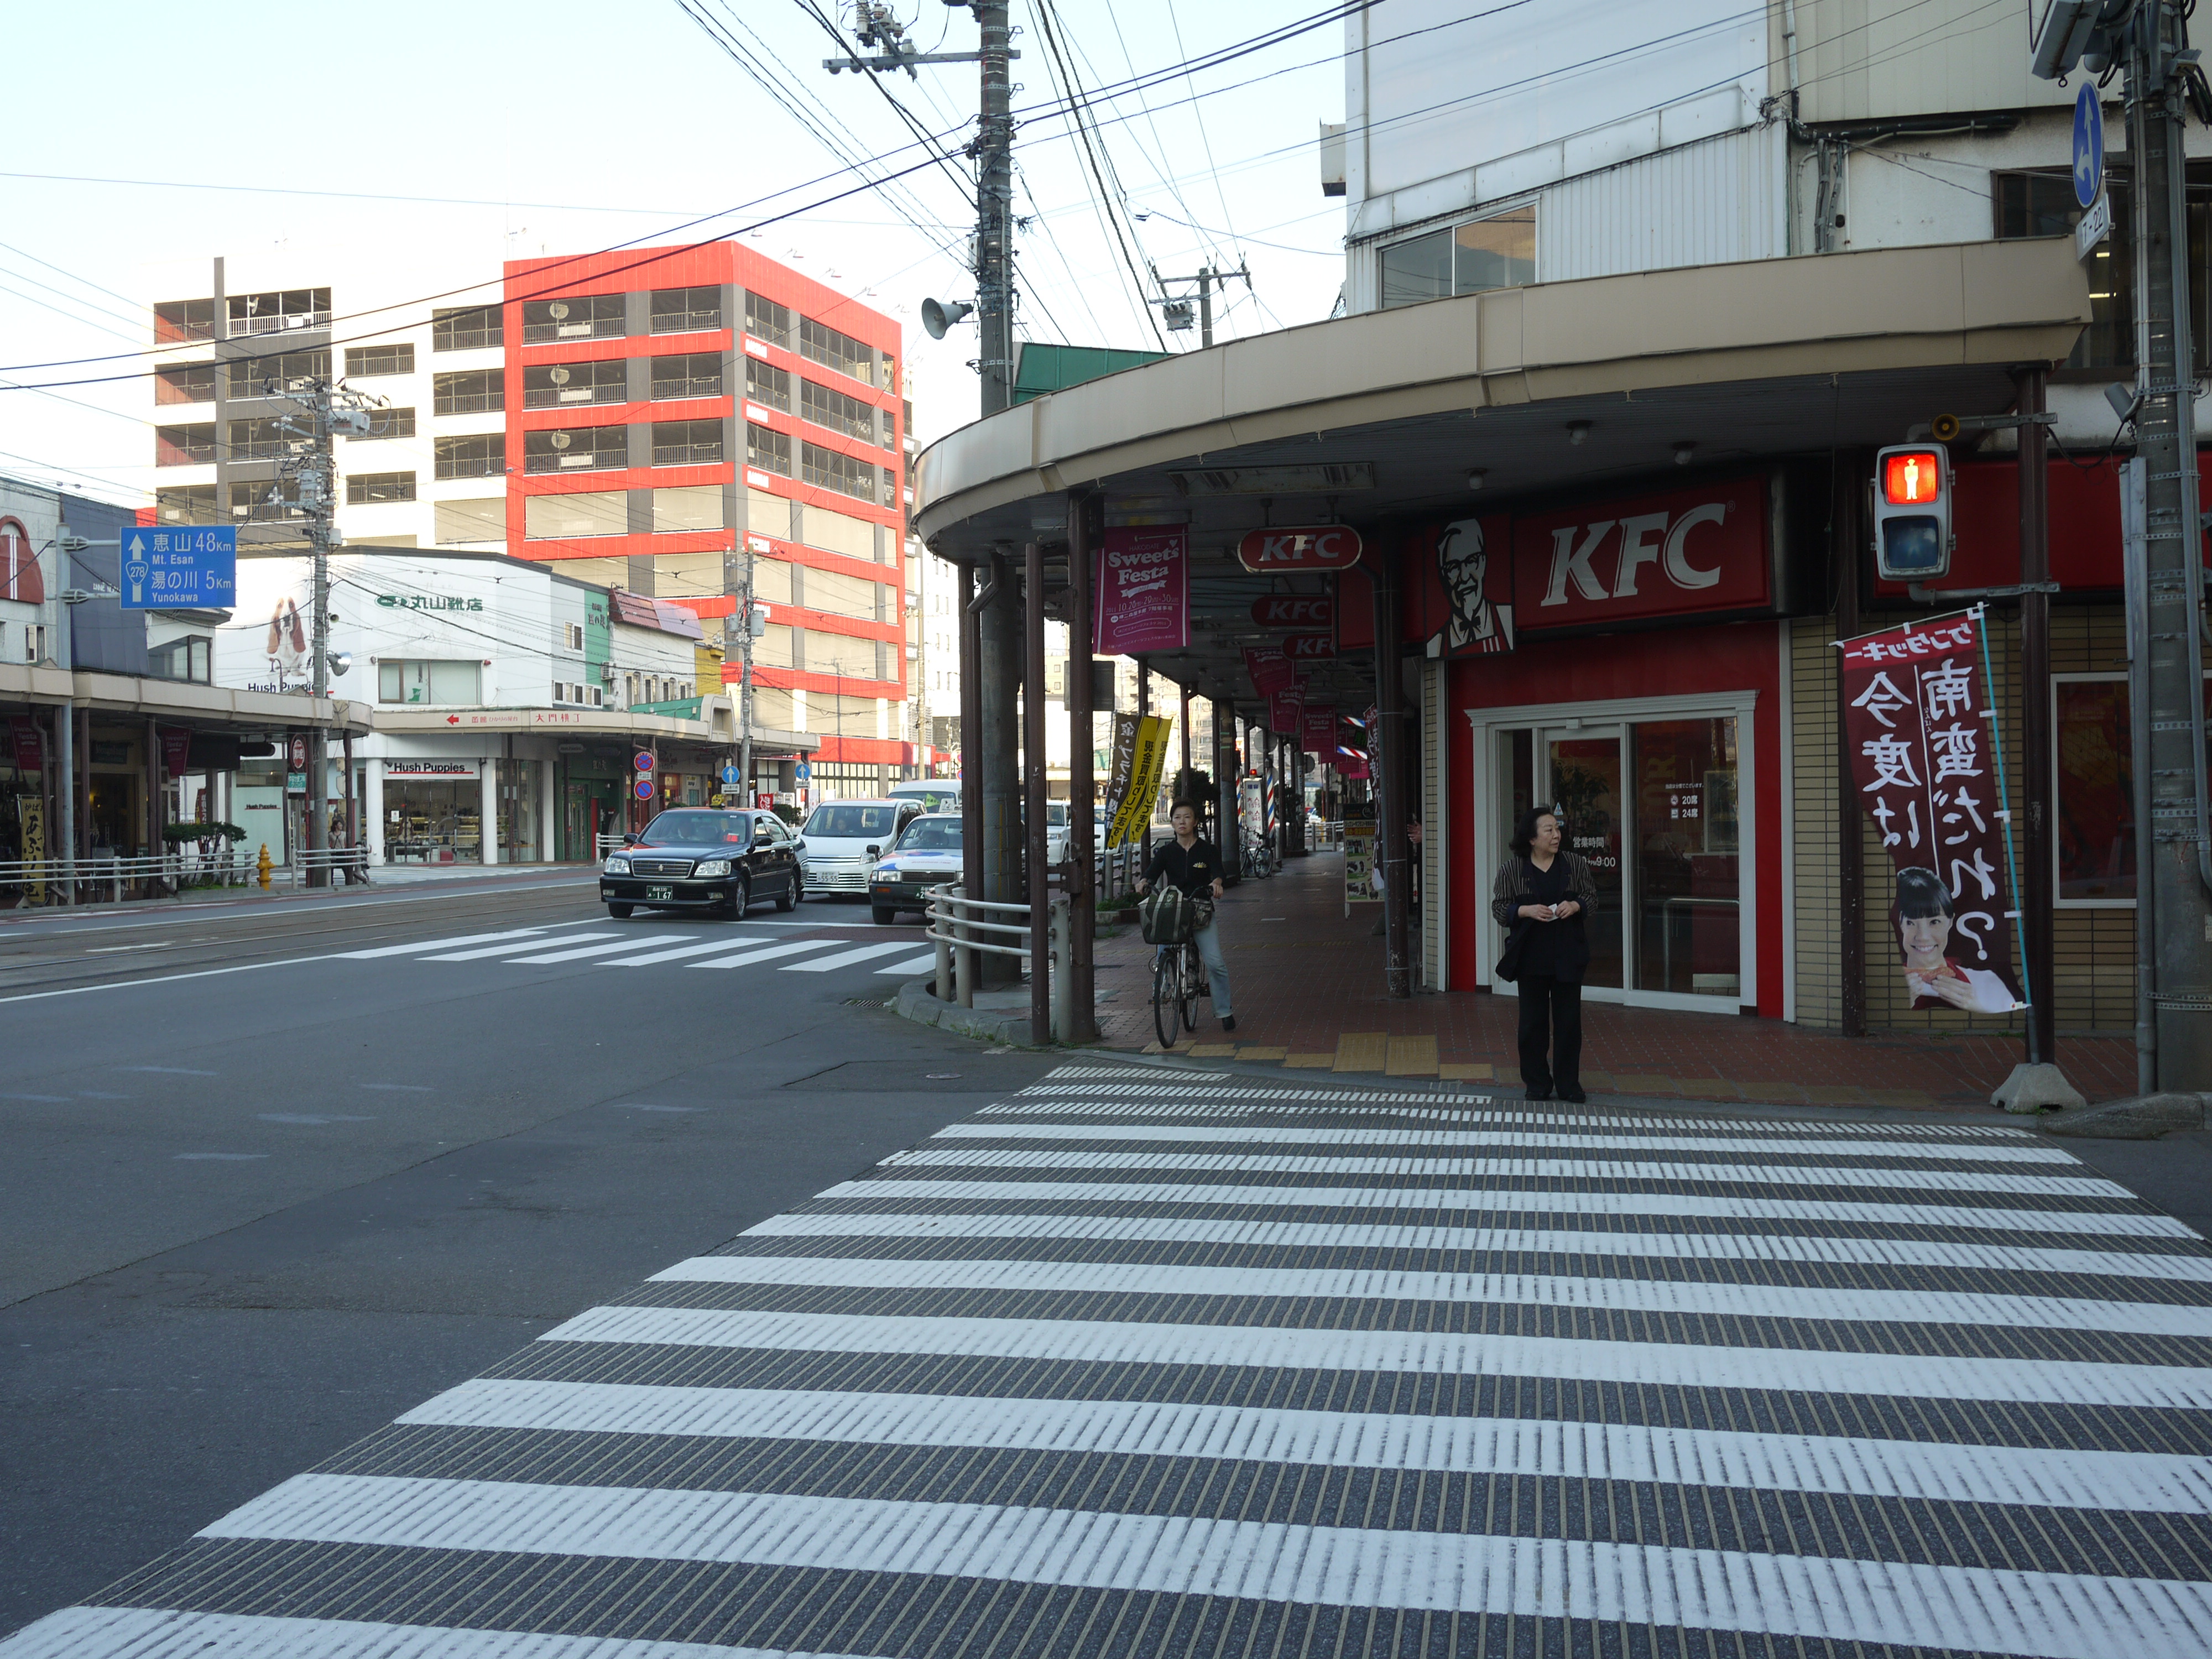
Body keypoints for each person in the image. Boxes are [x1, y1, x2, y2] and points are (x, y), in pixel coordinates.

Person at [1491, 805, 1598, 1102]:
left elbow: (1591, 897)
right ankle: (1537, 1083)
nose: (1556, 835)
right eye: (1548, 830)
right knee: (1532, 1024)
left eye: (1557, 829)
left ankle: (1568, 1085)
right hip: (1531, 957)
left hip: (1568, 953)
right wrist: (1524, 911)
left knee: (1569, 1024)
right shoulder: (1512, 870)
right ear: (1531, 838)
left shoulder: (1574, 864)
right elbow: (1499, 908)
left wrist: (1576, 906)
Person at [1135, 797, 1234, 1032]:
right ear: (1171, 822)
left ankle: (1225, 1011)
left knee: (1215, 963)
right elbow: (1151, 873)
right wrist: (1144, 882)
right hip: (1174, 910)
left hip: (1201, 912)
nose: (1182, 821)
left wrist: (1217, 883)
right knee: (1162, 954)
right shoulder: (1166, 852)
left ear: (1195, 821)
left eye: (1187, 817)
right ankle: (1163, 986)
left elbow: (1218, 873)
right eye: (1177, 817)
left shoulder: (1207, 850)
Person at [1896, 865, 2016, 1014]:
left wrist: (1979, 1005)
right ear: (1900, 923)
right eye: (1911, 923)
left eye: (1934, 922)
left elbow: (2009, 1012)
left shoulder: (1986, 983)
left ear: (1950, 922)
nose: (1923, 936)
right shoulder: (1890, 983)